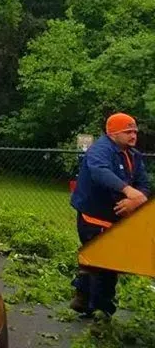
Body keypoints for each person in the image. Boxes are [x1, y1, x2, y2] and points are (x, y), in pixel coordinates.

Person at [69, 112, 150, 317]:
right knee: (106, 263)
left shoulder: (133, 155)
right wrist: (129, 191)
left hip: (116, 218)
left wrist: (138, 199)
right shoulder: (100, 151)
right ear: (113, 133)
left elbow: (143, 183)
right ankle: (100, 308)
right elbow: (100, 173)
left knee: (101, 261)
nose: (133, 136)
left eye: (135, 131)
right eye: (128, 131)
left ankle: (86, 297)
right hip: (94, 216)